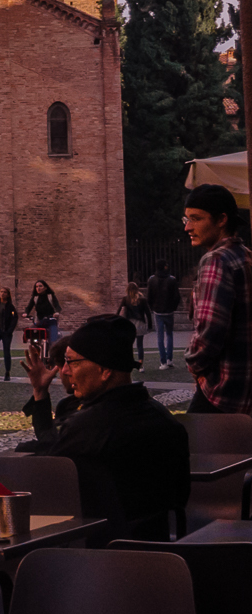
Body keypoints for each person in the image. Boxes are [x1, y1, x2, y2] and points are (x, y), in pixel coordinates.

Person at [18, 313, 191, 538]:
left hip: (96, 553)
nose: (66, 371)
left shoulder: (93, 426)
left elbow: (48, 473)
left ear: (104, 370)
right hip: (158, 550)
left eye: (72, 362)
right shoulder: (164, 418)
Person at [184, 182, 252, 413]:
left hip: (221, 393)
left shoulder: (216, 260)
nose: (188, 228)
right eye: (186, 219)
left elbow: (210, 330)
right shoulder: (246, 257)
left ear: (222, 220)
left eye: (196, 218)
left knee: (194, 447)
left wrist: (193, 364)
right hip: (245, 393)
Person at [146, 263, 182, 368]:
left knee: (160, 337)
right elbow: (177, 296)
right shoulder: (172, 279)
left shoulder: (152, 280)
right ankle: (169, 359)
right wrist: (173, 307)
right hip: (169, 311)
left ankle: (163, 362)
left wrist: (152, 307)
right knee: (170, 335)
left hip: (158, 311)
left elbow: (149, 296)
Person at [116, 281, 151, 368]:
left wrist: (116, 322)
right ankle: (140, 365)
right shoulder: (142, 300)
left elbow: (118, 311)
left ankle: (130, 362)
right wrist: (150, 325)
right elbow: (148, 313)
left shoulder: (125, 299)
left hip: (129, 323)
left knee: (129, 344)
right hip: (140, 323)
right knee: (140, 345)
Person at [24, 279, 62, 347]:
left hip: (50, 320)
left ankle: (52, 351)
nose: (38, 288)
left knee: (53, 339)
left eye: (40, 286)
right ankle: (35, 351)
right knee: (32, 335)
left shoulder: (50, 296)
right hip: (39, 321)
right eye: (36, 286)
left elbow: (57, 306)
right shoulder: (35, 297)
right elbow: (29, 307)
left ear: (45, 287)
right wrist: (26, 313)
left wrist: (57, 312)